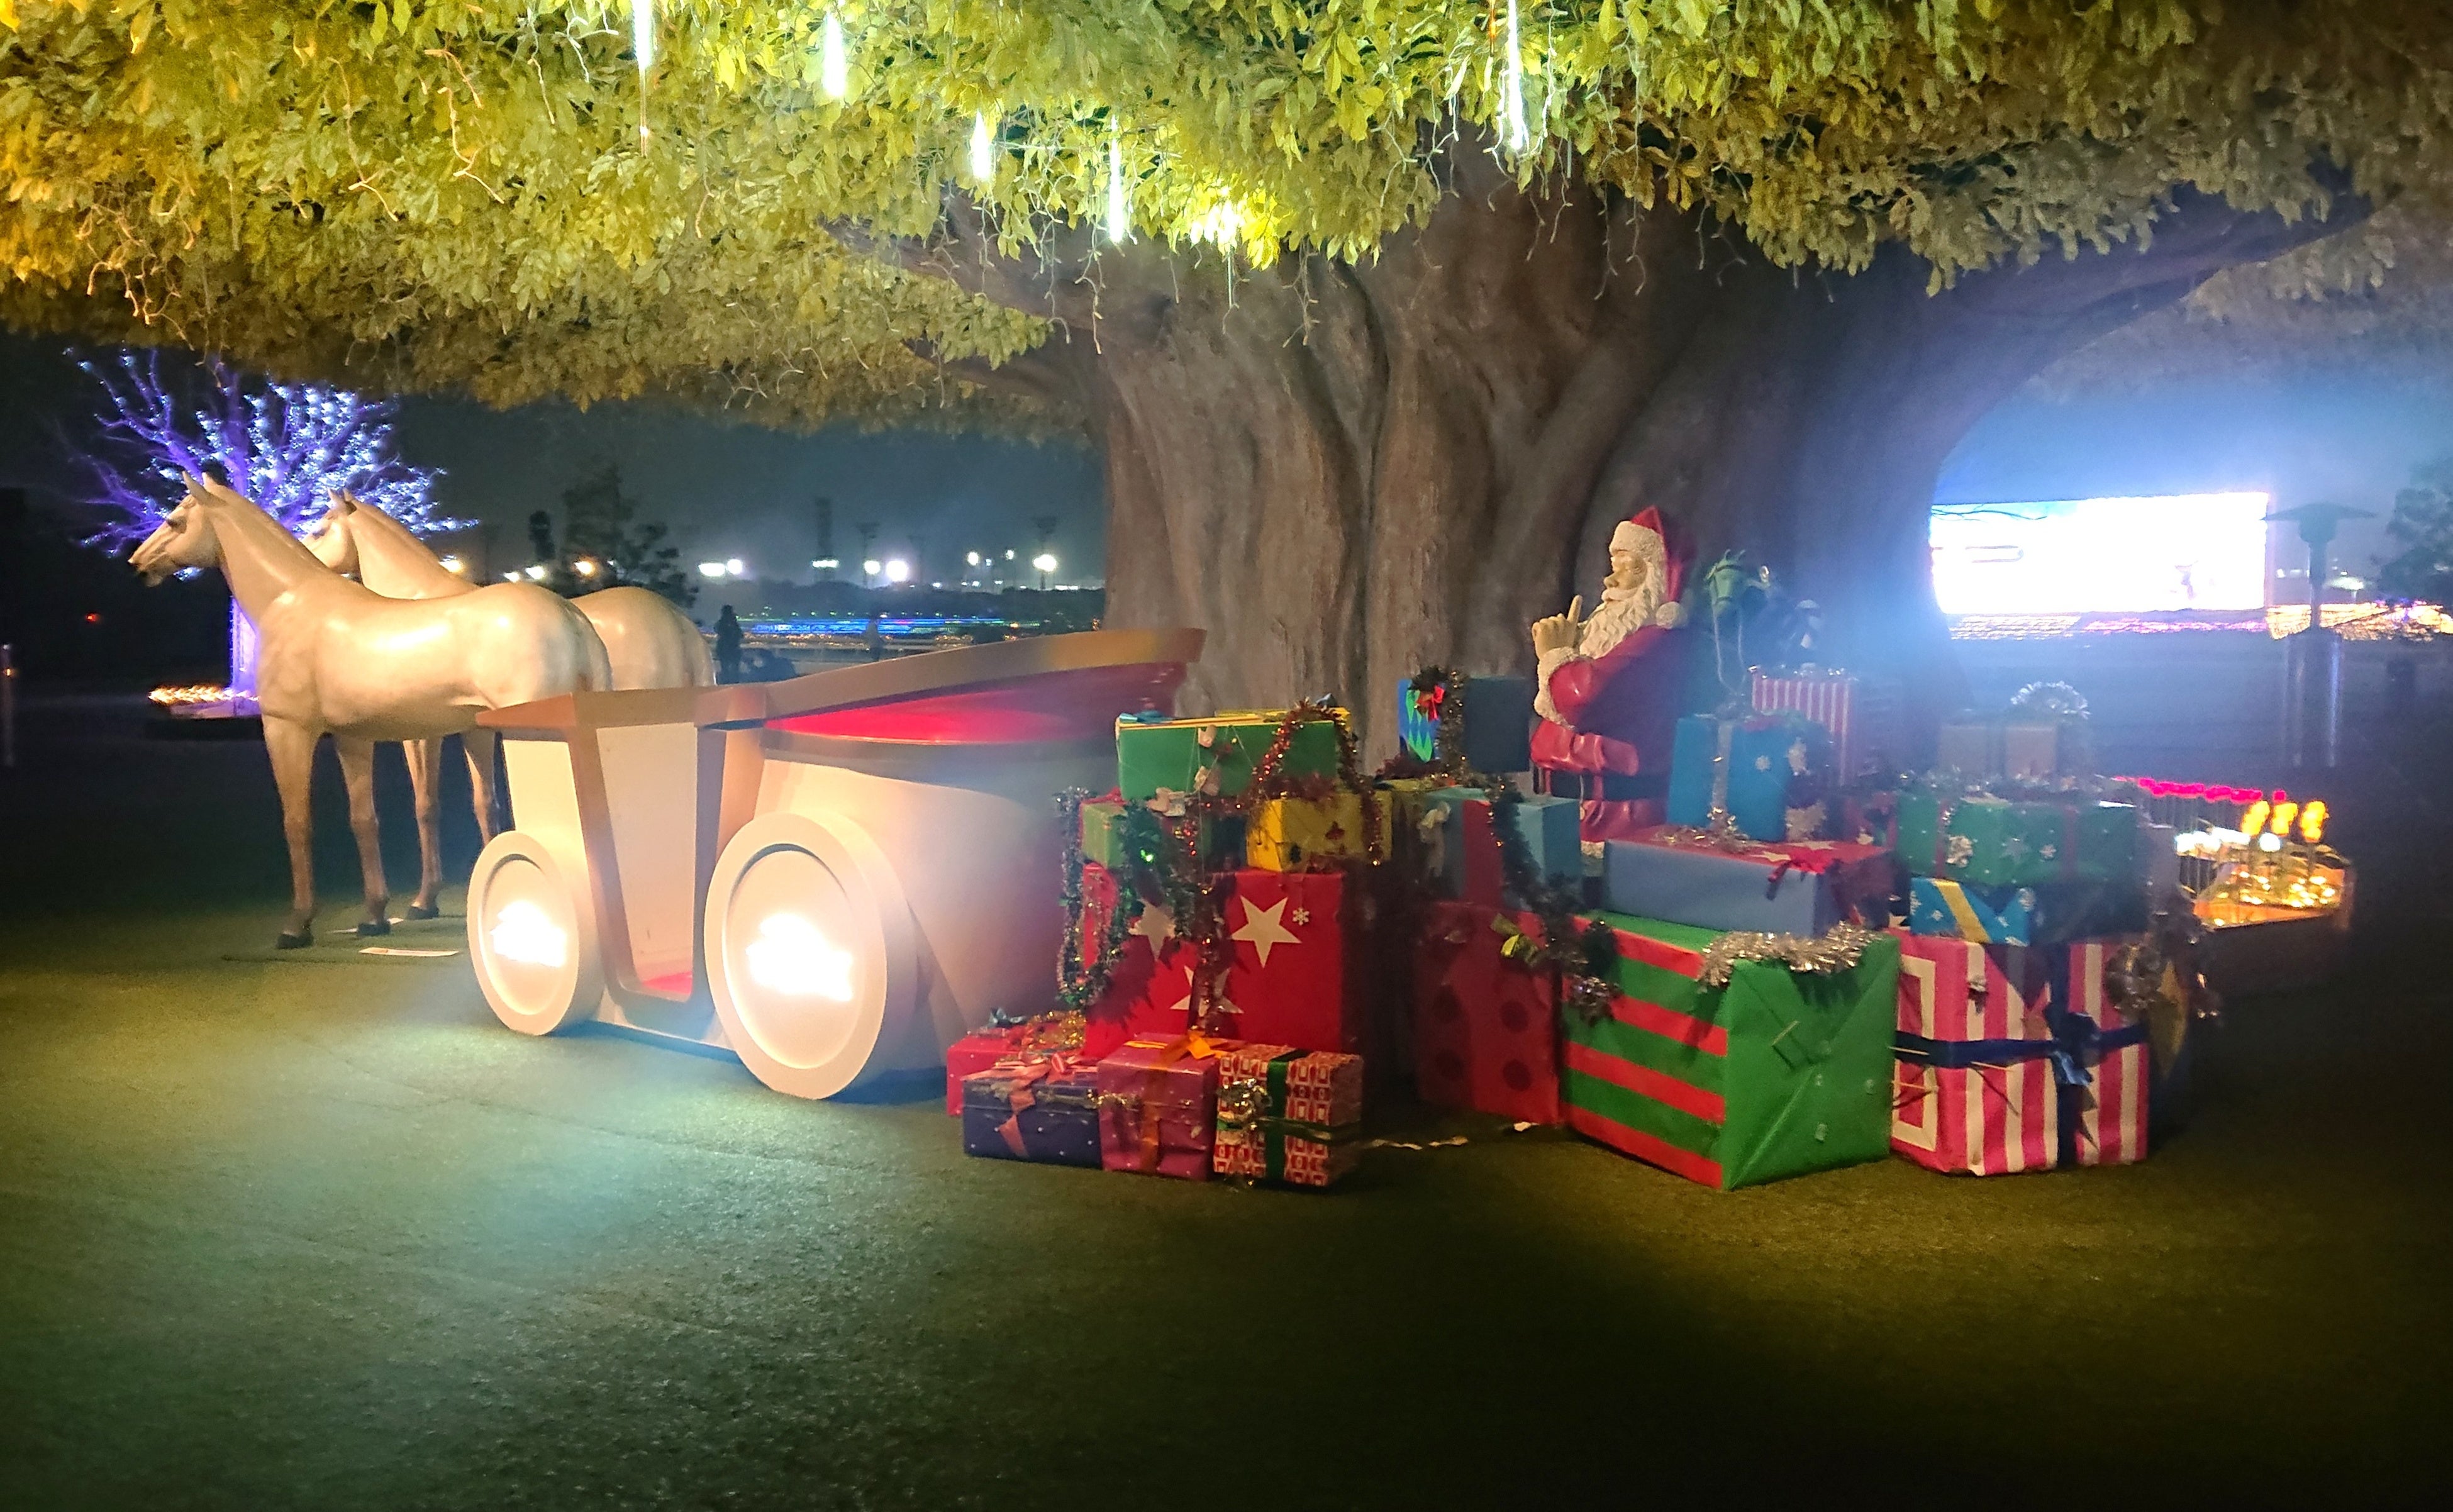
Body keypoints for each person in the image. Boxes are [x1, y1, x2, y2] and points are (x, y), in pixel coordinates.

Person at [1528, 508, 1689, 841]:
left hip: (1614, 817)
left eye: (1628, 569)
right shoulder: (1607, 640)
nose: (1610, 582)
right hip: (1563, 808)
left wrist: (1556, 654)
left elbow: (1584, 700)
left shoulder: (1656, 643)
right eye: (1613, 567)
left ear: (1656, 577)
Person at [714, 604, 743, 684]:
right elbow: (740, 635)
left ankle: (727, 681)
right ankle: (732, 682)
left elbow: (717, 630)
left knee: (726, 668)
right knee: (733, 669)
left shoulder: (723, 623)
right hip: (732, 648)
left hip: (725, 648)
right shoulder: (732, 623)